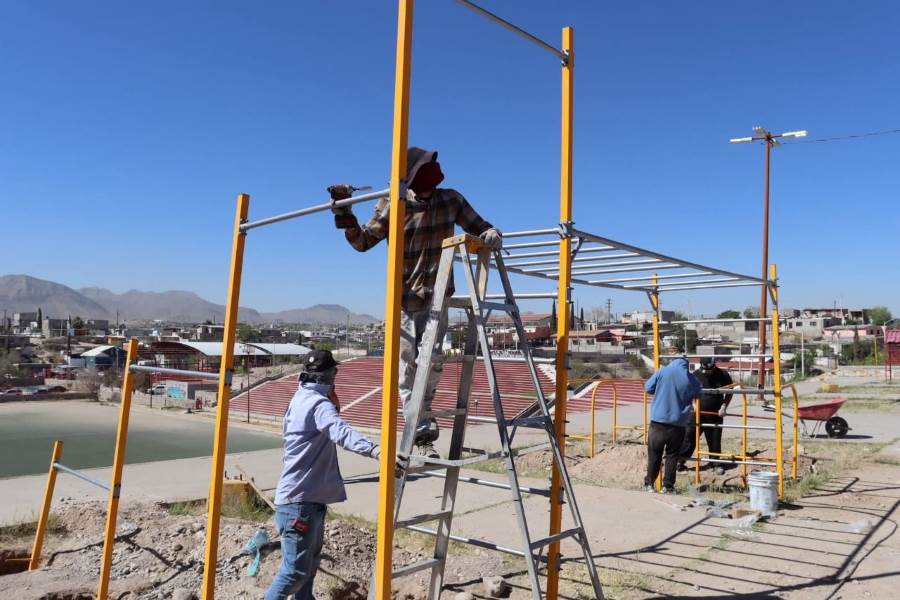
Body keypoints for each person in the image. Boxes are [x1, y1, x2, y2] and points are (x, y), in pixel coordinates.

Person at [329, 147, 502, 459]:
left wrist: (491, 234)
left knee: (432, 361)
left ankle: (422, 424)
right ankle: (421, 431)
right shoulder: (394, 204)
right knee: (409, 368)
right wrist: (343, 211)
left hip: (438, 296)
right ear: (412, 174)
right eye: (427, 166)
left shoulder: (450, 200)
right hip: (406, 300)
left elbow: (480, 225)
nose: (435, 169)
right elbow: (363, 241)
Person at [265, 349, 380, 600]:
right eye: (334, 371)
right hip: (299, 504)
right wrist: (376, 450)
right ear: (329, 374)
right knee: (295, 573)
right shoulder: (318, 404)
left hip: (306, 502)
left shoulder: (300, 397)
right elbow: (340, 432)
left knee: (307, 571)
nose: (336, 375)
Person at [643, 354, 702, 493]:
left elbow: (648, 388)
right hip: (678, 424)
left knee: (654, 455)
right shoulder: (691, 378)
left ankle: (649, 484)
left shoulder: (662, 372)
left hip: (658, 422)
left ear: (673, 362)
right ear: (686, 365)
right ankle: (667, 486)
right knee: (672, 456)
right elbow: (699, 393)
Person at [679, 358, 734, 474]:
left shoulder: (723, 375)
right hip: (696, 413)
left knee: (714, 439)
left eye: (709, 371)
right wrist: (693, 404)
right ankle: (680, 461)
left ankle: (715, 463)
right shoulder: (695, 375)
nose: (707, 373)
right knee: (689, 437)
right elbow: (688, 391)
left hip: (715, 413)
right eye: (705, 371)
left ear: (714, 366)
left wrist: (724, 406)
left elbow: (730, 392)